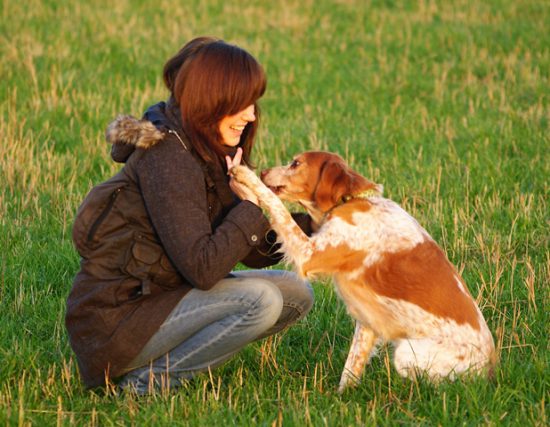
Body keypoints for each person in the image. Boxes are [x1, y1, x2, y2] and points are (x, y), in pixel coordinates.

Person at [65, 36, 314, 394]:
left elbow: (253, 250)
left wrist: (324, 226)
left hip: (164, 299)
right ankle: (145, 384)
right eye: (243, 103)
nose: (252, 115)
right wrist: (249, 209)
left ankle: (177, 356)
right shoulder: (169, 158)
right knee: (262, 301)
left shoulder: (208, 149)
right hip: (119, 323)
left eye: (254, 103)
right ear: (212, 100)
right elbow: (204, 269)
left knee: (296, 291)